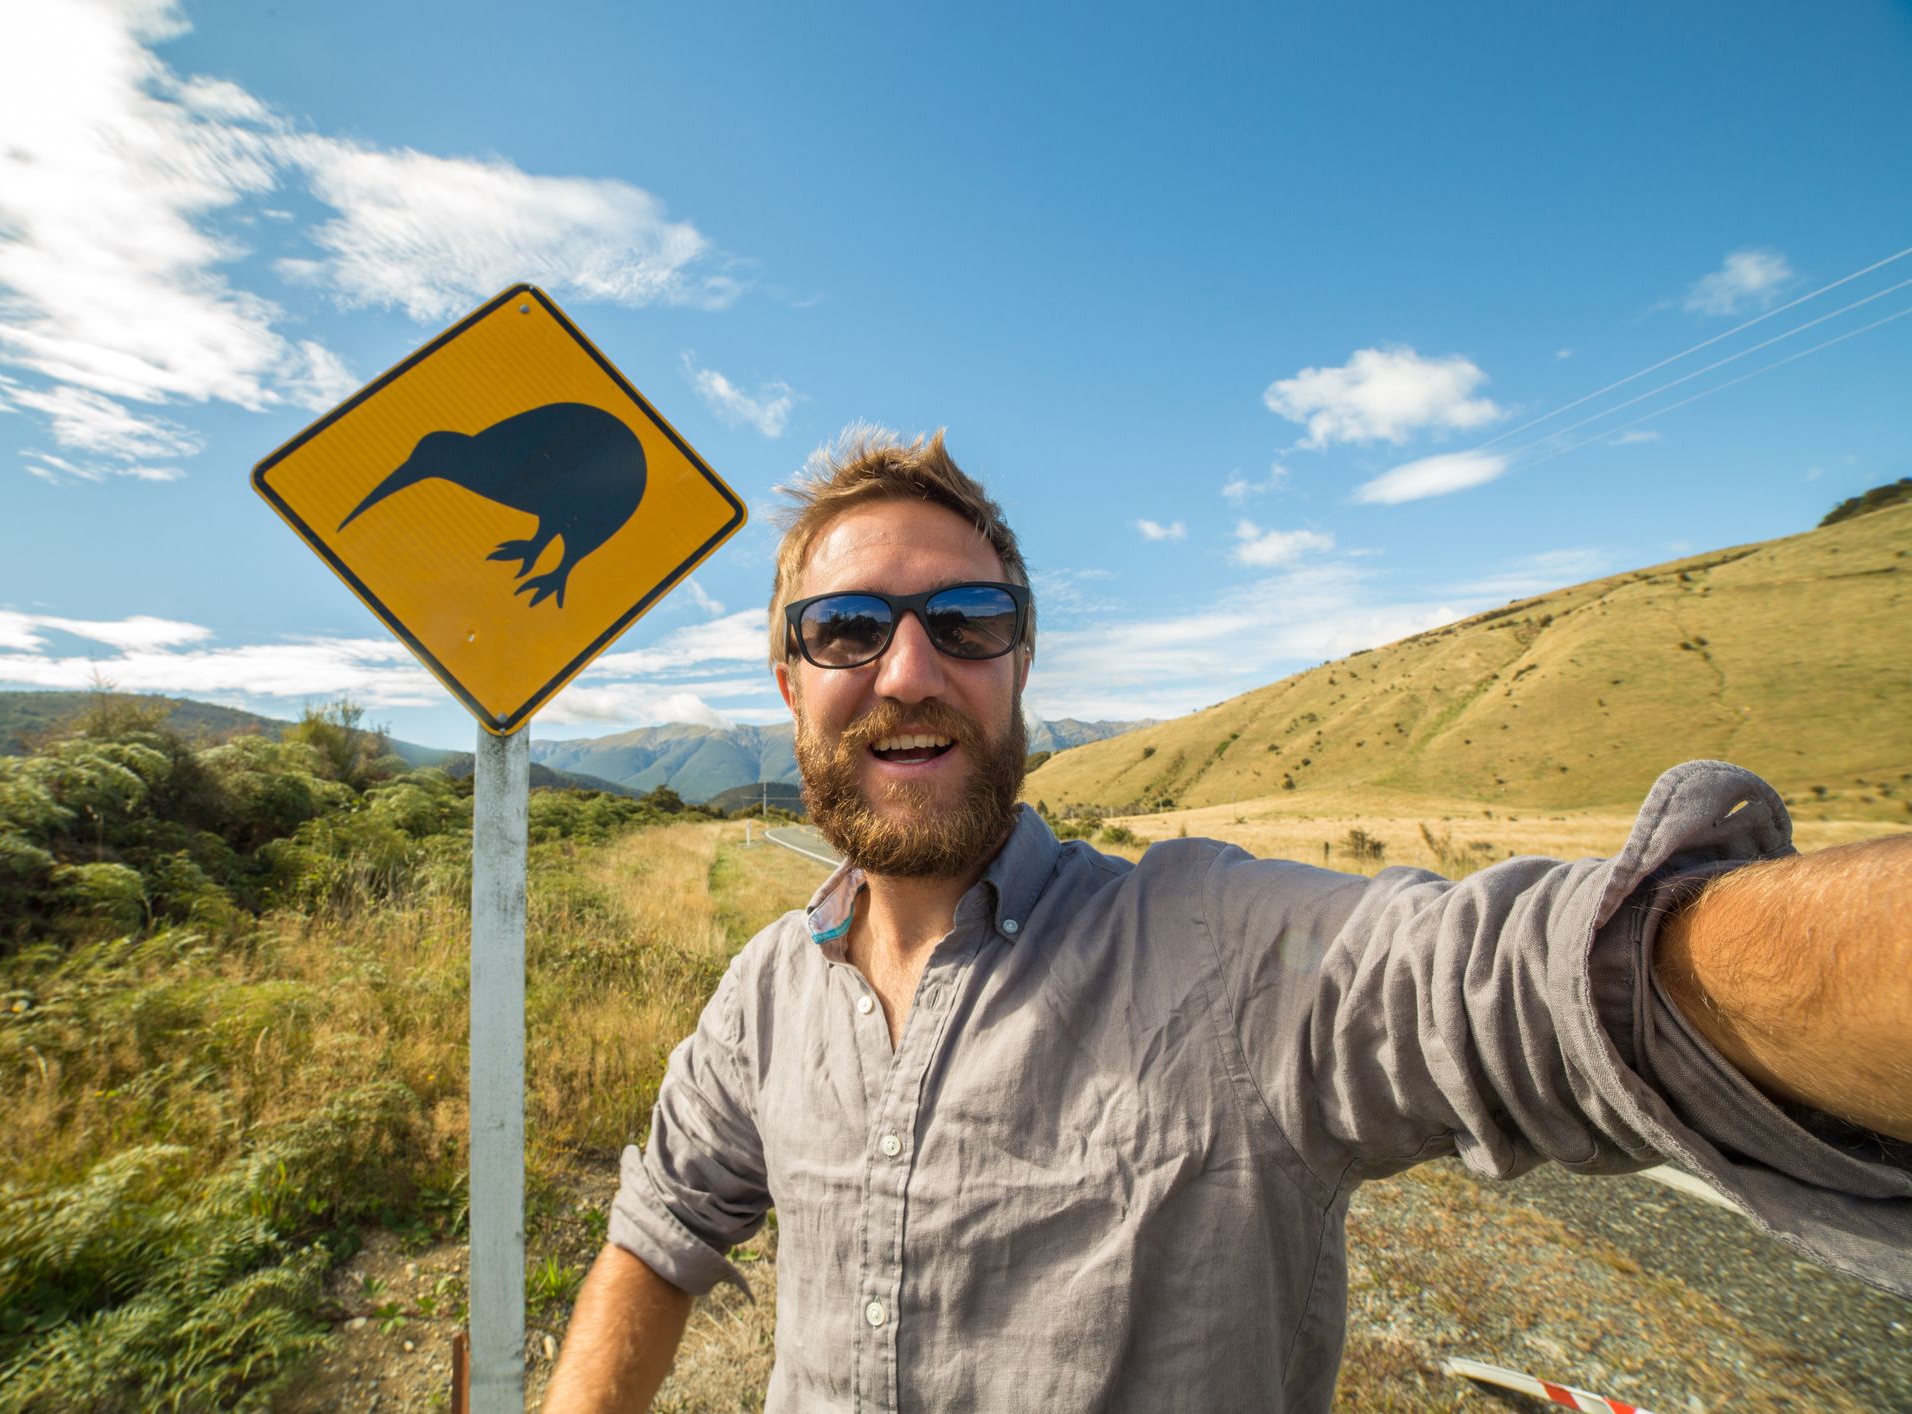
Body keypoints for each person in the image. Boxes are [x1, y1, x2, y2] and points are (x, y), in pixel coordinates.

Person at [541, 429, 1910, 1413]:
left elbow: (1526, 986)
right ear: (787, 677)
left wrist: (1786, 954)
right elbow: (659, 1226)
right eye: (846, 626)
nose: (908, 668)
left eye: (964, 620)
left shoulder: (1214, 945)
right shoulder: (765, 993)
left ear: (1018, 665)